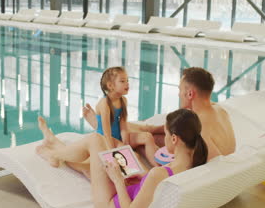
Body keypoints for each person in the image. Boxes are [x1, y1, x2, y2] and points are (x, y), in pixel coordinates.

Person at [36, 108, 208, 208]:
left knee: (96, 140)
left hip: (113, 207)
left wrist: (118, 179)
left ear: (174, 139)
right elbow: (156, 185)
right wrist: (144, 178)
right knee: (110, 147)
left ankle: (56, 153)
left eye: (165, 134)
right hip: (131, 189)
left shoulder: (159, 173)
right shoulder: (195, 163)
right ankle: (58, 148)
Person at [83, 67, 235, 161]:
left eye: (180, 90)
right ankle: (104, 123)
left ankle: (100, 124)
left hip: (201, 156)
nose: (178, 94)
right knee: (151, 135)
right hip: (207, 144)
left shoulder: (201, 129)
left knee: (147, 142)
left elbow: (215, 163)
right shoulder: (217, 109)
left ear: (189, 94)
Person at [93, 66, 159, 166]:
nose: (127, 83)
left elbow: (123, 125)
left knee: (147, 136)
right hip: (106, 140)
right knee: (134, 157)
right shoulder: (105, 104)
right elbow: (106, 133)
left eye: (127, 80)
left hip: (119, 136)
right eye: (122, 81)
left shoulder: (123, 100)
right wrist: (113, 152)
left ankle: (157, 166)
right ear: (111, 85)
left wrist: (126, 143)